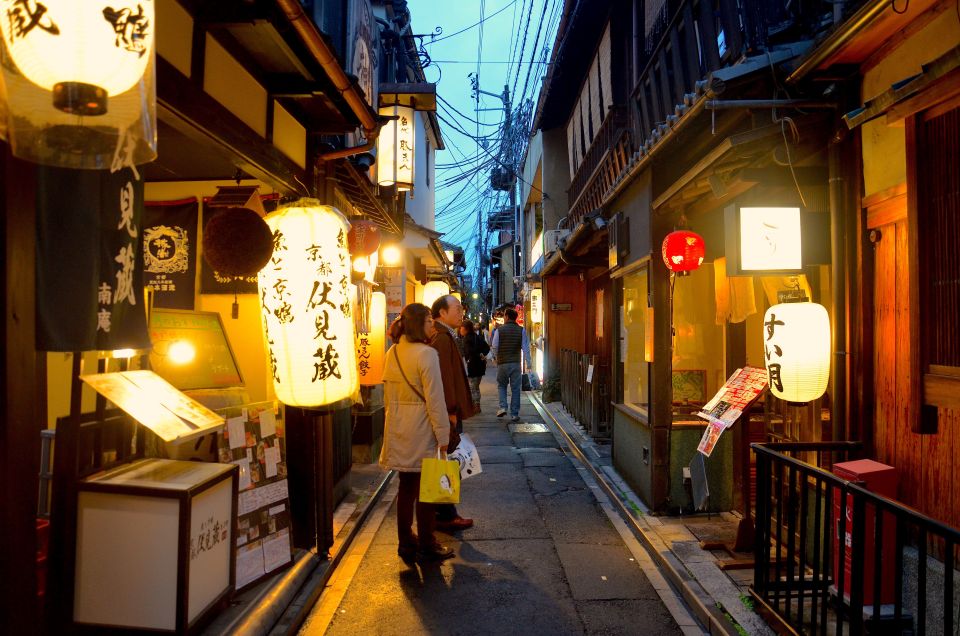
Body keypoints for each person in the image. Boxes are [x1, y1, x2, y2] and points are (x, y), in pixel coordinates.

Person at [379, 303, 454, 562]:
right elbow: (435, 399)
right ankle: (426, 543)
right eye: (429, 321)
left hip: (399, 427)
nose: (433, 326)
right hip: (422, 429)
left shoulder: (392, 353)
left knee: (406, 488)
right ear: (418, 325)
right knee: (427, 490)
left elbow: (388, 397)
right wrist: (443, 435)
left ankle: (405, 542)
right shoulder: (427, 354)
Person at [429, 294, 477, 532]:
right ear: (442, 313)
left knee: (446, 460)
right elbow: (443, 377)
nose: (461, 313)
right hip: (447, 412)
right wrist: (450, 410)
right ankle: (445, 514)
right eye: (456, 309)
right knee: (447, 461)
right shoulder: (442, 338)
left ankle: (445, 512)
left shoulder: (444, 335)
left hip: (447, 410)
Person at [491, 307, 531, 422]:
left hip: (502, 363)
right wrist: (529, 362)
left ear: (507, 317)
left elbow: (495, 346)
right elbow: (525, 347)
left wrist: (495, 358)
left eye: (504, 315)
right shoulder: (521, 330)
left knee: (502, 385)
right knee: (515, 388)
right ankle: (514, 414)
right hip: (515, 363)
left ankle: (503, 407)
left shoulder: (499, 330)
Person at [461, 320, 490, 412]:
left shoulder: (466, 339)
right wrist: (482, 354)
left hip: (472, 366)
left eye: (461, 328)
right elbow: (487, 347)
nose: (460, 330)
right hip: (480, 366)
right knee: (475, 386)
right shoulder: (477, 337)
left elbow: (469, 351)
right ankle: (477, 405)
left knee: (473, 387)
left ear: (466, 329)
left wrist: (477, 355)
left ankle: (475, 406)